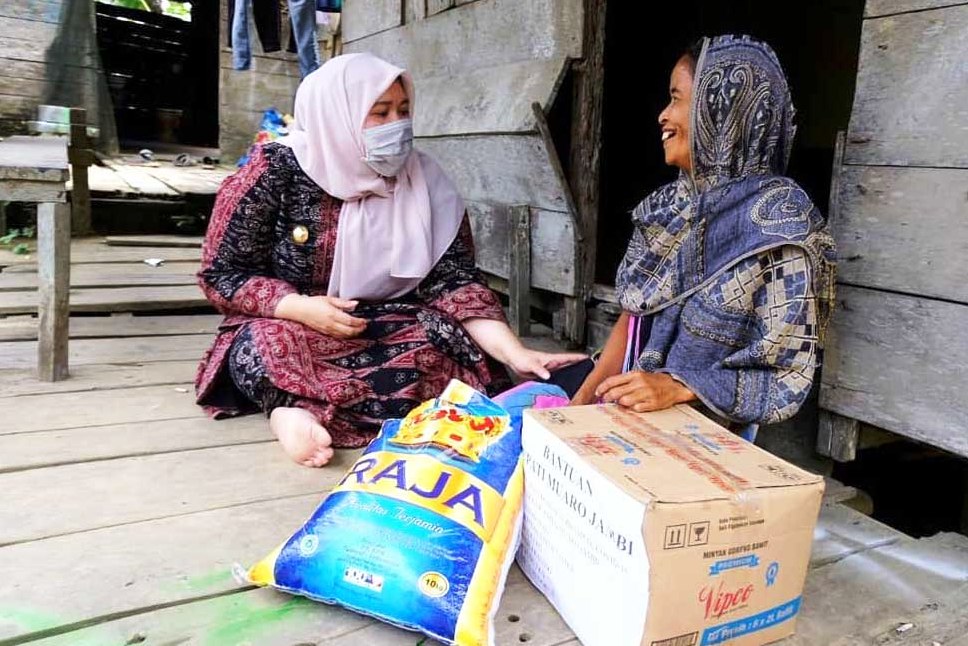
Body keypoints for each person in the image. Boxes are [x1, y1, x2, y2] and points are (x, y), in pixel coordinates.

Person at [195, 53, 585, 467]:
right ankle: (288, 408)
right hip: (293, 321)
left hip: (389, 322)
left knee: (446, 342)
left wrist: (515, 354)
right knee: (262, 345)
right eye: (379, 113)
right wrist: (300, 308)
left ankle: (325, 408)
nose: (396, 126)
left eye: (403, 111)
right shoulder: (274, 172)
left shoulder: (426, 180)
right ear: (335, 115)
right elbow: (223, 273)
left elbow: (454, 282)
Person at [572, 35, 836, 441]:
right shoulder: (670, 207)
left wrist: (678, 385)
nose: (663, 114)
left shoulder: (783, 228)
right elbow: (634, 316)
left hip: (708, 440)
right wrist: (577, 411)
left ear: (721, 111)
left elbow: (785, 372)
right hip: (631, 409)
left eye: (676, 99)